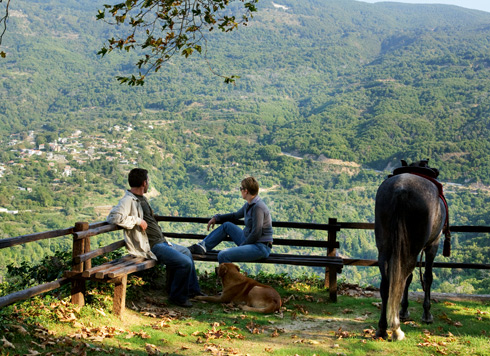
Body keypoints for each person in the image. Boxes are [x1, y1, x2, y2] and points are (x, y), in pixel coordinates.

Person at [107, 168, 203, 308]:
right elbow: (113, 217)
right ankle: (177, 297)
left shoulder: (141, 199)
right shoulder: (128, 200)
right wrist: (137, 221)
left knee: (187, 253)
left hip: (162, 242)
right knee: (185, 263)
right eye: (148, 181)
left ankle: (194, 292)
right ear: (144, 183)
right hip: (152, 246)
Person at [188, 177, 273, 264]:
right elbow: (235, 215)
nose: (240, 191)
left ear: (246, 191)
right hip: (249, 240)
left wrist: (242, 246)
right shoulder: (249, 205)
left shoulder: (258, 207)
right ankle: (202, 247)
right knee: (227, 226)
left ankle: (230, 277)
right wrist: (217, 217)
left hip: (260, 247)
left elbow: (256, 233)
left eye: (241, 188)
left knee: (223, 255)